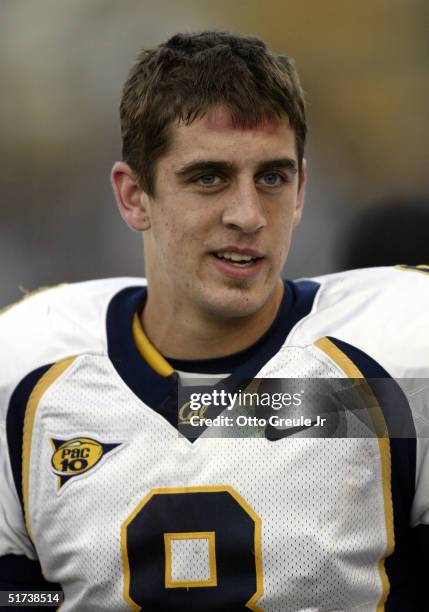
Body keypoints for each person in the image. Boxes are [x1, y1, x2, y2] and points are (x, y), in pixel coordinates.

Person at [0, 31, 428, 612]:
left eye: (272, 177)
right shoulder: (28, 370)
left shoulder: (394, 363)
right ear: (133, 197)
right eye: (209, 177)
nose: (249, 215)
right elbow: (18, 594)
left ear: (301, 189)